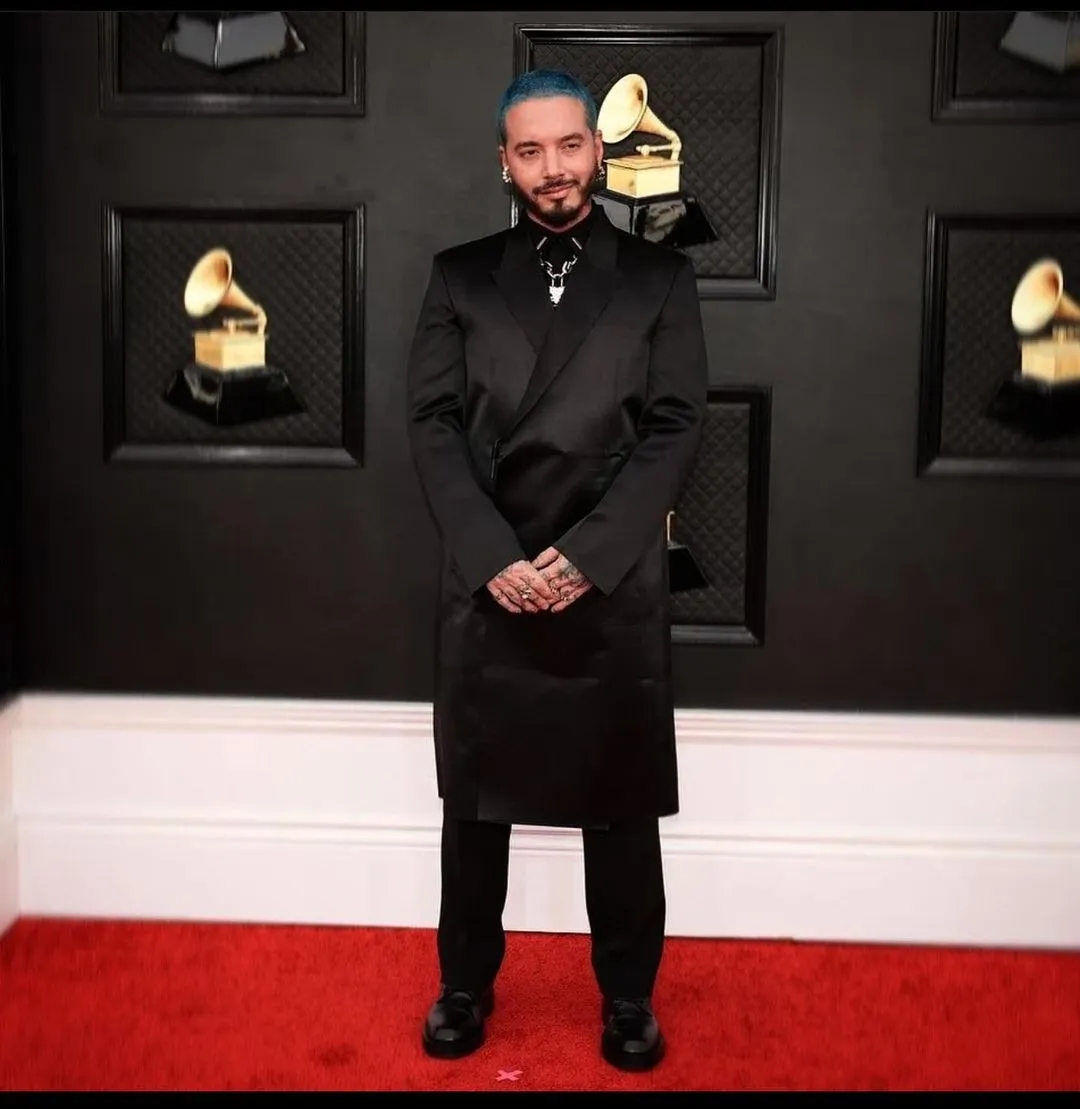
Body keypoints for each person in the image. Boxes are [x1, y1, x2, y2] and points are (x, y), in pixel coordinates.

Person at [404, 67, 708, 1072]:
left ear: (598, 150)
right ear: (504, 162)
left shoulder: (661, 278)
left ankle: (628, 995)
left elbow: (675, 427)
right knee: (474, 803)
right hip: (489, 578)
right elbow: (431, 424)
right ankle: (463, 981)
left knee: (619, 800)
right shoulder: (458, 276)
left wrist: (587, 555)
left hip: (608, 581)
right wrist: (494, 556)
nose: (552, 168)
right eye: (529, 150)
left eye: (568, 145)